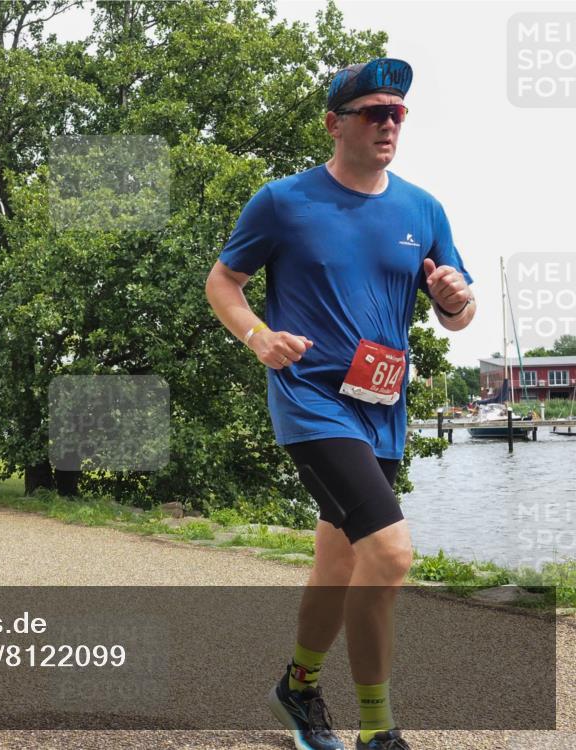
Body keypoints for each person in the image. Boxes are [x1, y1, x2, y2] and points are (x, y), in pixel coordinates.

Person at [206, 58, 475, 750]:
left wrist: (456, 301)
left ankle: (297, 687)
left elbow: (458, 311)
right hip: (312, 401)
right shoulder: (283, 202)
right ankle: (378, 731)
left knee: (341, 561)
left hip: (381, 407)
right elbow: (223, 282)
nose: (389, 124)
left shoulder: (423, 209)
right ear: (335, 124)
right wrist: (257, 336)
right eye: (373, 113)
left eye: (398, 113)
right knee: (390, 553)